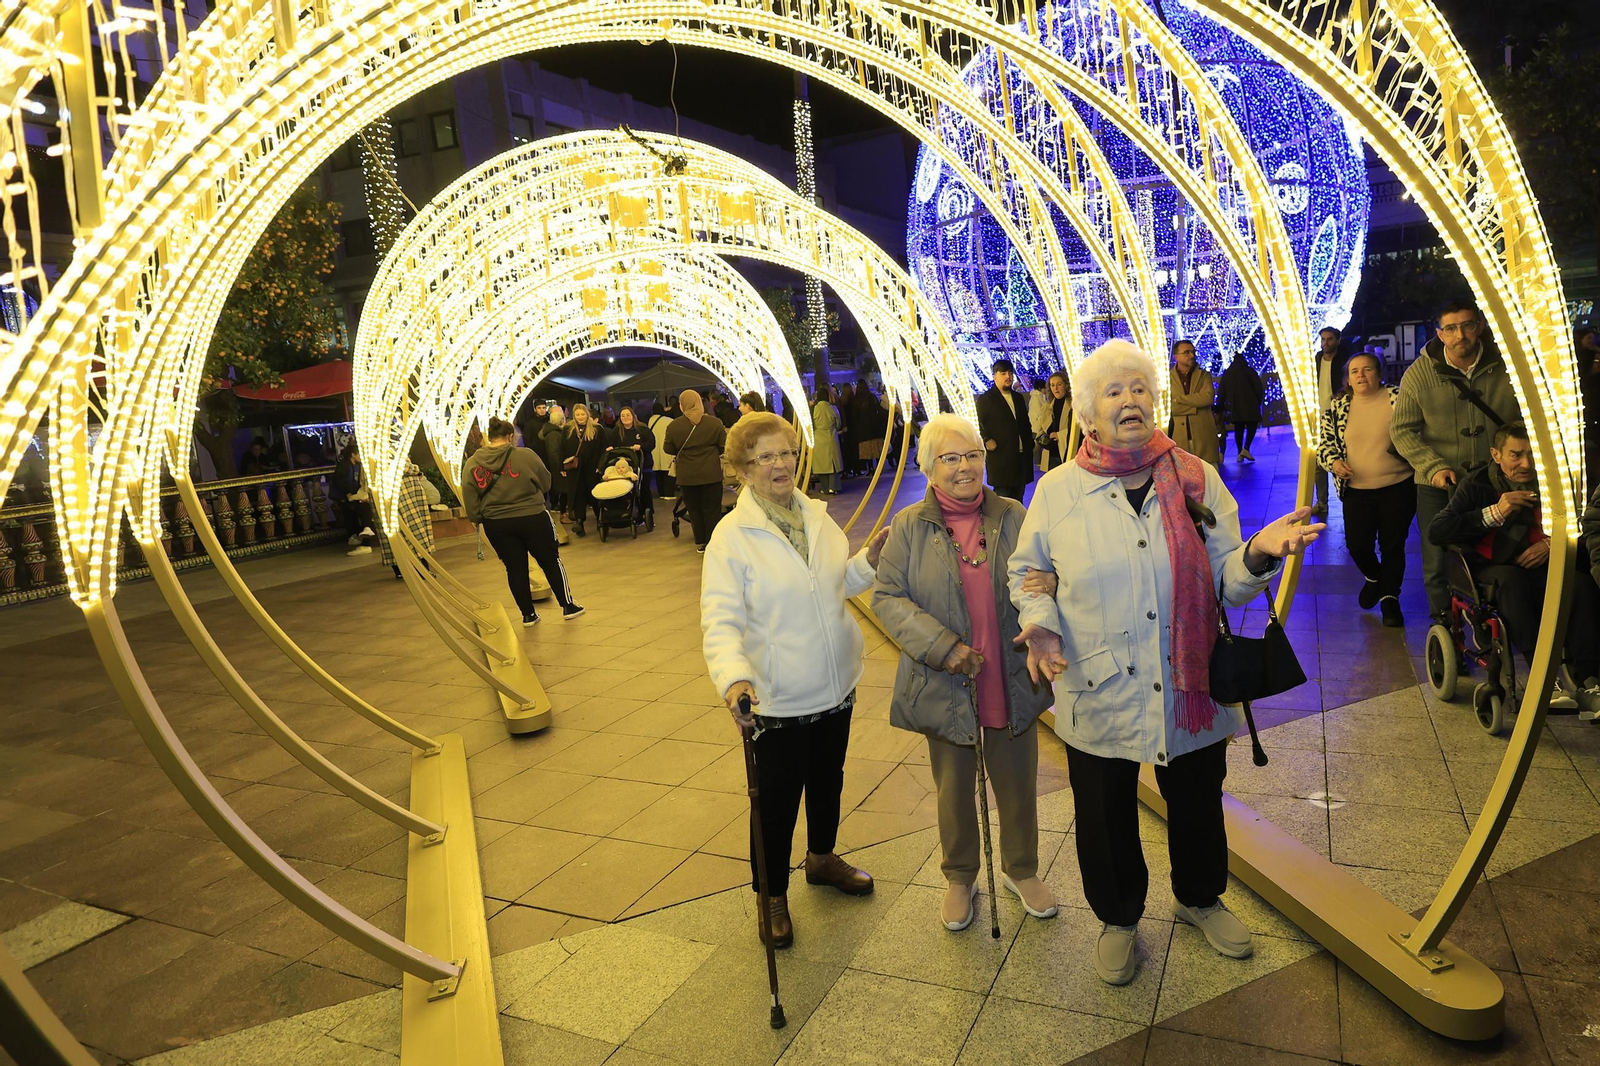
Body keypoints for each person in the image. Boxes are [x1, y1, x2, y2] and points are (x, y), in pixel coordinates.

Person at [1007, 338, 1324, 986]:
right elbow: (1030, 571)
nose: (1130, 400)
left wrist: (1258, 552)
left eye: (1139, 389)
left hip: (1189, 680)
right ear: (1088, 412)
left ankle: (1200, 898)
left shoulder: (1196, 477)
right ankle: (1118, 918)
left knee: (1198, 799)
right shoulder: (1060, 491)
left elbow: (1226, 580)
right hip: (1097, 681)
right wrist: (1039, 623)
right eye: (1113, 391)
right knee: (1104, 811)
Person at [700, 412, 890, 947]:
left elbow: (833, 583)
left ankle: (822, 858)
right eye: (764, 456)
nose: (779, 464)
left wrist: (868, 561)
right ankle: (772, 895)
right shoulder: (731, 538)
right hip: (777, 697)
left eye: (785, 452)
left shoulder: (816, 516)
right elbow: (720, 619)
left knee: (829, 779)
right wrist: (734, 678)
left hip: (835, 683)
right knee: (776, 802)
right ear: (743, 469)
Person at [872, 413, 1060, 930]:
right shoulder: (909, 526)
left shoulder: (1014, 515)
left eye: (973, 455)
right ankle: (959, 875)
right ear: (929, 468)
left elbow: (1047, 573)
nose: (964, 467)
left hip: (1009, 671)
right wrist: (943, 647)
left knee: (1017, 781)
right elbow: (888, 597)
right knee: (954, 786)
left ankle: (1021, 869)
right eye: (950, 458)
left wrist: (1053, 580)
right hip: (946, 676)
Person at [1430, 424, 1600, 713]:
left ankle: (1589, 680)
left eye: (1532, 454)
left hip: (1545, 563)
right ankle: (1543, 678)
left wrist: (1551, 544)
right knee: (1512, 580)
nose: (1526, 464)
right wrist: (1497, 511)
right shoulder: (1478, 484)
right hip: (1493, 567)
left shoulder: (1553, 480)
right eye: (1516, 455)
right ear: (1496, 455)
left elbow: (1586, 526)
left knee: (1581, 584)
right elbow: (1438, 531)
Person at [1391, 297, 1523, 625]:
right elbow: (1401, 430)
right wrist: (1432, 466)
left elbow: (1528, 419)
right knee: (1437, 557)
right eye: (1450, 328)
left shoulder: (1508, 366)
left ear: (1479, 326)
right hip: (1440, 484)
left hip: (1497, 480)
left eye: (1466, 325)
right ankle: (1444, 622)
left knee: (1501, 548)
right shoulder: (1419, 374)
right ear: (1439, 333)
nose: (1460, 335)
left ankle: (1501, 619)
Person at [1316, 353, 1413, 627]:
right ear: (1347, 379)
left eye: (1367, 369)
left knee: (1393, 545)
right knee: (1358, 545)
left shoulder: (1398, 398)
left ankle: (1390, 599)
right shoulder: (1337, 407)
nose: (1361, 375)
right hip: (1357, 490)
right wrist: (1334, 462)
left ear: (1379, 373)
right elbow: (1325, 446)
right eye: (1355, 371)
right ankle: (1374, 576)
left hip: (1398, 486)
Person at [459, 417, 583, 625]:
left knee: (515, 568)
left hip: (497, 523)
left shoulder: (472, 463)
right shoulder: (526, 455)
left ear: (489, 437)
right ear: (510, 436)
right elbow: (546, 482)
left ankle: (528, 615)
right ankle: (568, 606)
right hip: (532, 517)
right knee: (550, 561)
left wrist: (479, 517)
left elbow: (470, 497)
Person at [663, 388, 728, 554]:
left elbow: (668, 448)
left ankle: (701, 542)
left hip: (687, 476)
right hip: (711, 473)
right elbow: (723, 445)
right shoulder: (714, 423)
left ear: (682, 405)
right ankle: (714, 542)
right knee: (712, 509)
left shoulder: (674, 426)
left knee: (695, 510)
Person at [976, 359, 1034, 501]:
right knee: (1003, 501)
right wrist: (986, 440)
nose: (1008, 376)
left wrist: (1030, 443)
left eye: (1010, 373)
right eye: (1003, 373)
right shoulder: (986, 399)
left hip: (1021, 458)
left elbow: (1025, 423)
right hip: (1001, 459)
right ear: (994, 376)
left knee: (1019, 500)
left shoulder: (1018, 398)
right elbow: (977, 424)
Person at [1312, 328, 1351, 514]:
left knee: (1343, 458)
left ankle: (1348, 499)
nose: (1325, 343)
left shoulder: (1344, 360)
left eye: (1329, 339)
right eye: (1323, 339)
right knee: (1317, 460)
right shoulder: (1317, 359)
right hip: (1319, 415)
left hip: (1339, 415)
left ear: (1337, 340)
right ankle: (1322, 502)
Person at [561, 403, 613, 537]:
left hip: (592, 468)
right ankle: (579, 522)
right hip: (575, 469)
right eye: (577, 414)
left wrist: (601, 466)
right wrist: (563, 466)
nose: (580, 417)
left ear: (587, 414)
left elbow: (604, 448)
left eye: (582, 414)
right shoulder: (568, 429)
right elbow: (562, 448)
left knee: (595, 495)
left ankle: (600, 520)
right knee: (578, 495)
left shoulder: (597, 429)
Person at [376, 461, 434, 579]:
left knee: (394, 534)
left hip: (392, 495)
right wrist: (416, 470)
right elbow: (402, 466)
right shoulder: (387, 453)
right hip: (403, 495)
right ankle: (421, 570)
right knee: (414, 532)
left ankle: (401, 570)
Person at [1168, 340, 1220, 467]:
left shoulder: (1204, 375)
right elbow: (1171, 408)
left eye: (1193, 352)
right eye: (1186, 352)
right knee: (1185, 474)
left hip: (1204, 437)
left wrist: (1179, 399)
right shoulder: (1168, 378)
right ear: (1176, 356)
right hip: (1180, 439)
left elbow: (1207, 398)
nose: (1192, 355)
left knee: (1209, 474)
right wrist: (1196, 405)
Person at [330, 441, 376, 554]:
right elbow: (339, 480)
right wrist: (348, 493)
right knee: (350, 515)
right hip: (343, 495)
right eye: (359, 454)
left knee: (355, 513)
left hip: (353, 494)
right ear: (353, 455)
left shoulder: (358, 466)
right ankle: (356, 536)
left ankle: (358, 536)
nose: (361, 457)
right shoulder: (344, 465)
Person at [1218, 356, 1264, 463]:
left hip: (1235, 407)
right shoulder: (1250, 371)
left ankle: (1239, 452)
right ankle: (1246, 448)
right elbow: (1259, 387)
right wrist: (1258, 401)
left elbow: (1222, 391)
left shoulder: (1228, 373)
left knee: (1238, 429)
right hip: (1251, 405)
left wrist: (1221, 405)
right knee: (1252, 426)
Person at [614, 405, 655, 513]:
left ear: (633, 416)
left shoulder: (642, 429)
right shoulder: (617, 431)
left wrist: (641, 446)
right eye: (623, 416)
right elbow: (611, 445)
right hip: (625, 467)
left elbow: (651, 444)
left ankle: (647, 511)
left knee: (644, 489)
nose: (625, 417)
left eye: (628, 415)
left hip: (643, 464)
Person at [809, 387, 844, 495]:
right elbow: (838, 424)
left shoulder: (813, 409)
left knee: (822, 465)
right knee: (833, 465)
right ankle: (834, 487)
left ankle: (825, 488)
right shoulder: (833, 408)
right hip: (831, 436)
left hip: (818, 438)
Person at [1039, 371, 1072, 471]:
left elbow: (1078, 431)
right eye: (1052, 385)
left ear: (1066, 385)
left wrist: (1060, 435)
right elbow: (1040, 429)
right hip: (1051, 454)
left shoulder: (1073, 406)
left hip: (1067, 452)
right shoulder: (1047, 406)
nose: (1056, 388)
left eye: (1059, 384)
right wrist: (1043, 438)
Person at [537, 406, 566, 513]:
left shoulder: (550, 432)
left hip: (552, 465)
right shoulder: (554, 434)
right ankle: (559, 507)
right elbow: (554, 453)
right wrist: (561, 467)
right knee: (559, 487)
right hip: (556, 466)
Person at [648, 401, 677, 500]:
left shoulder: (650, 421)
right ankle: (669, 493)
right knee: (668, 471)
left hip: (655, 450)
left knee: (658, 473)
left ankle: (661, 493)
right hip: (666, 449)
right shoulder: (669, 420)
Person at [1028, 376, 1052, 469]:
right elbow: (1039, 413)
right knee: (1037, 444)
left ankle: (1036, 461)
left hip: (1038, 425)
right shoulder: (1036, 398)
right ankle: (1036, 462)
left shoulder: (1039, 396)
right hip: (1037, 425)